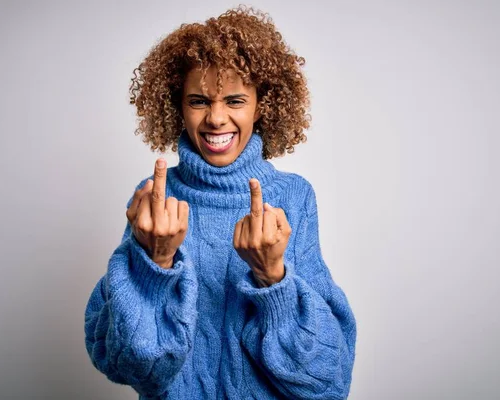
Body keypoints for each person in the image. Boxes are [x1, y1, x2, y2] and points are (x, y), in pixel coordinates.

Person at [85, 6, 356, 399]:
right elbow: (131, 366)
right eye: (198, 101)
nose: (215, 118)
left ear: (262, 105)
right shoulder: (153, 204)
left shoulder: (293, 198)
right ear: (177, 106)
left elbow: (326, 383)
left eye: (234, 100)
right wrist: (153, 266)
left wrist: (273, 279)